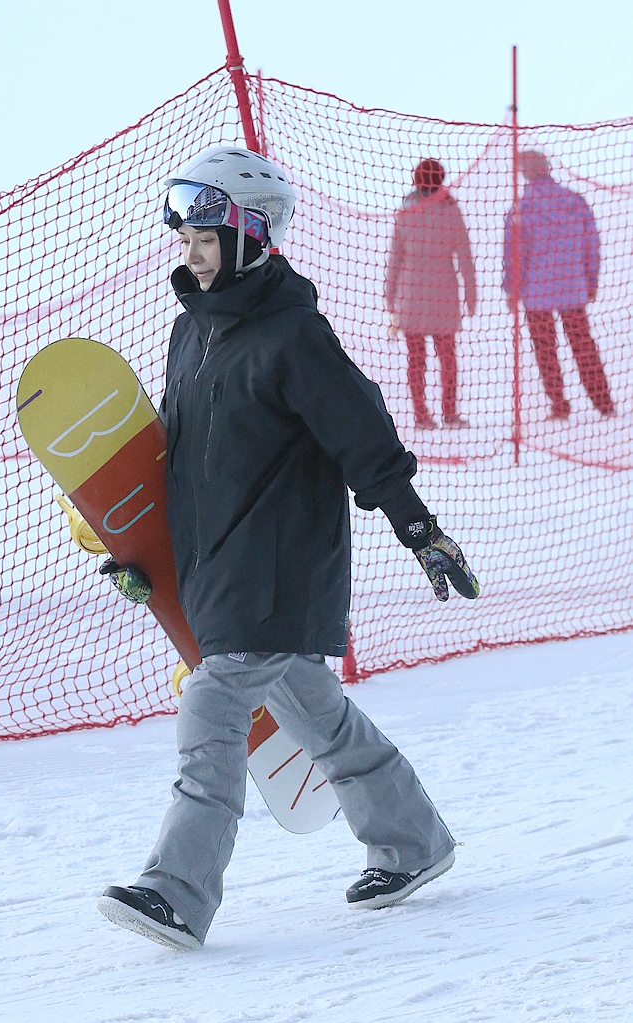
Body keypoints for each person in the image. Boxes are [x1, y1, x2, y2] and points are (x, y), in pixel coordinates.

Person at [97, 147, 480, 952]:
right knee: (319, 714)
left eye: (206, 237)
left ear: (249, 236)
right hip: (219, 567)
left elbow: (365, 441)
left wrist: (422, 532)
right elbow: (179, 459)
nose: (190, 252)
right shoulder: (189, 335)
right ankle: (415, 843)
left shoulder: (294, 336)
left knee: (211, 711)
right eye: (186, 235)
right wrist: (145, 554)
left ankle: (176, 890)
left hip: (277, 571)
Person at [503, 149, 614, 420]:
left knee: (545, 350)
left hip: (535, 293)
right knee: (583, 346)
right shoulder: (574, 200)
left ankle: (559, 404)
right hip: (573, 289)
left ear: (525, 171)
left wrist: (512, 288)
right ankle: (604, 403)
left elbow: (515, 254)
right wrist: (591, 279)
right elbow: (591, 244)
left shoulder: (522, 207)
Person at [385, 158, 476, 430]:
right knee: (447, 354)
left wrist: (390, 295)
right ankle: (450, 412)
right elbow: (465, 255)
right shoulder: (451, 208)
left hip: (411, 290)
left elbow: (396, 256)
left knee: (416, 358)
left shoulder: (406, 210)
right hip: (443, 288)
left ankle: (421, 415)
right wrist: (471, 294)